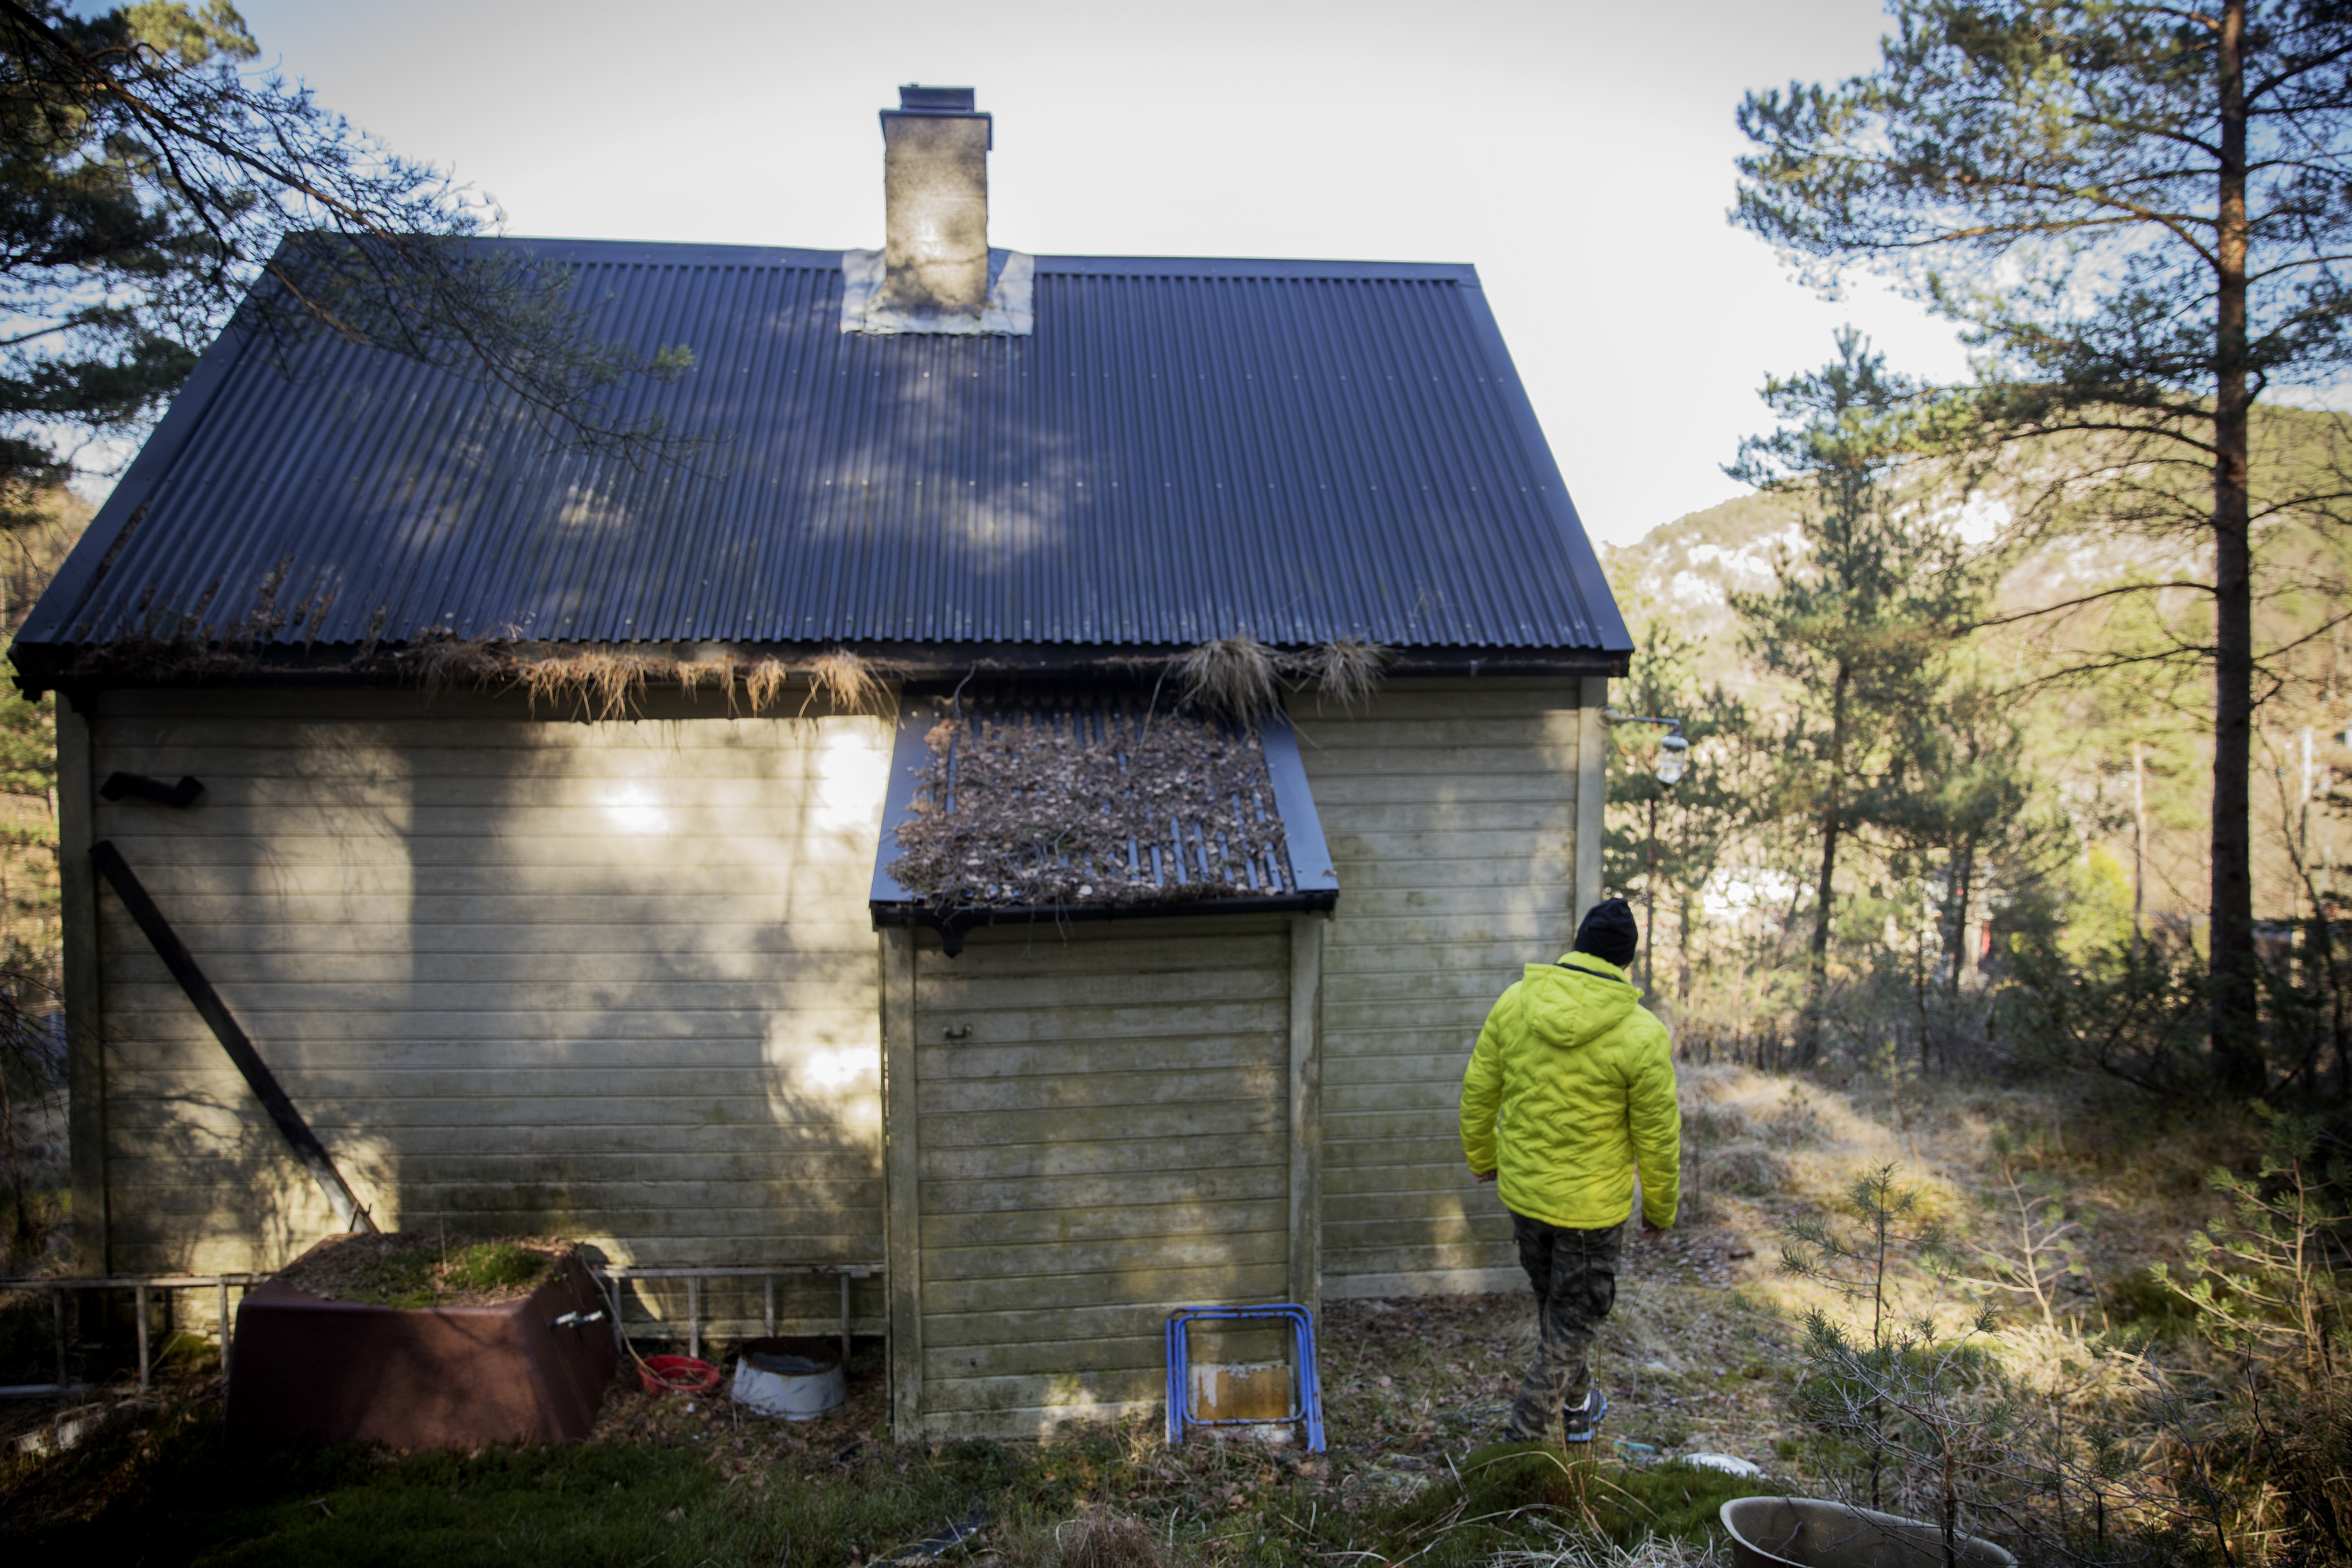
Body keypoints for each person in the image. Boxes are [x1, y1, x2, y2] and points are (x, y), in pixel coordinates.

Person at [1458, 897, 1681, 1445]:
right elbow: (1657, 1138)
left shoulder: (1516, 1003)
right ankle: (1519, 1448)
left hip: (1526, 1194)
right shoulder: (1642, 1033)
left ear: (1578, 942)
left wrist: (1483, 1158)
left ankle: (1580, 1406)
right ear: (1626, 960)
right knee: (1570, 1329)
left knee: (1557, 1316)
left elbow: (1479, 1092)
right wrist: (1659, 1210)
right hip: (1591, 1214)